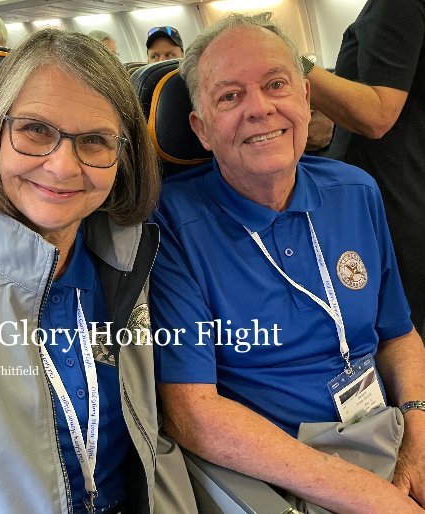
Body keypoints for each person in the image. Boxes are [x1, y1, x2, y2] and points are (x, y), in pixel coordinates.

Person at [0, 29, 197, 514]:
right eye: (35, 130)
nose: (62, 166)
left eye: (95, 140)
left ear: (123, 158)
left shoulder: (130, 263)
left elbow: (148, 440)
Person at [149, 13, 425, 513]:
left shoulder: (354, 190)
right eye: (229, 96)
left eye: (276, 85)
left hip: (382, 431)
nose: (260, 109)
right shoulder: (172, 223)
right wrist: (374, 499)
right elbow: (194, 414)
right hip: (272, 466)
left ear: (304, 96)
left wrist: (420, 433)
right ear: (201, 128)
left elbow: (399, 335)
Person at [306, 0, 425, 335]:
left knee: (388, 334)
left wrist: (289, 59)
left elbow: (377, 115)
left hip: (384, 197)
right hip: (409, 188)